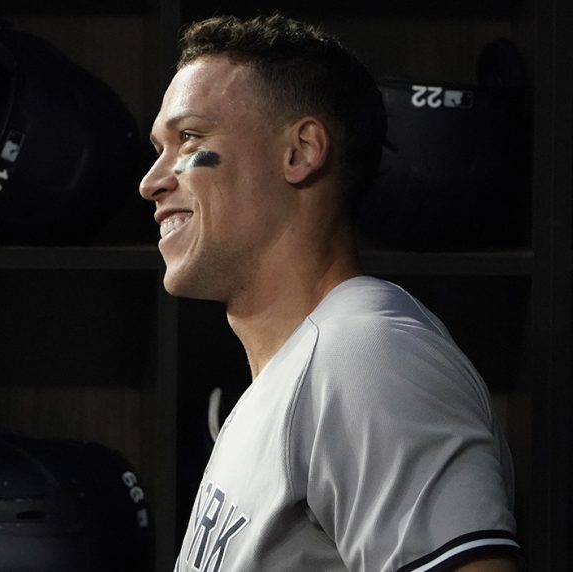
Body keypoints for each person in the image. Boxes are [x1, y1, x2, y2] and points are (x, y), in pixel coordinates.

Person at [139, 13, 524, 572]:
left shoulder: (366, 355)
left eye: (189, 137)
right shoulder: (288, 379)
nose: (151, 180)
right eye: (159, 147)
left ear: (301, 151)